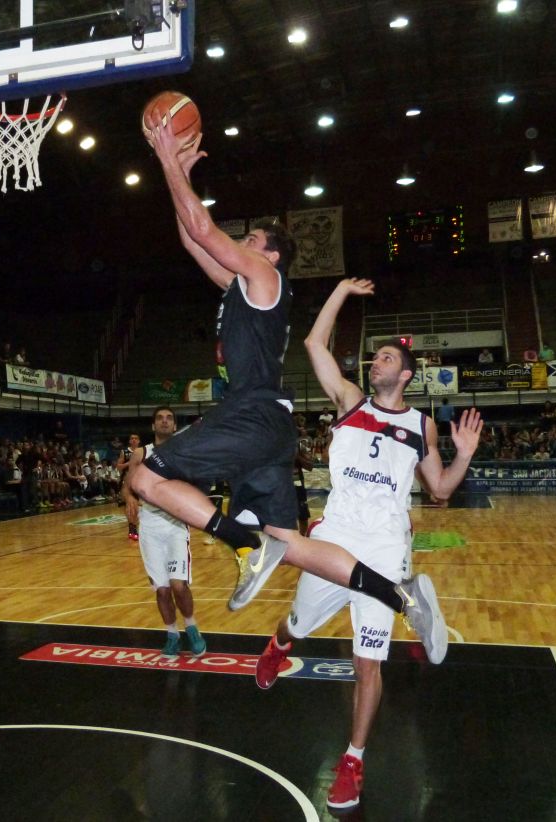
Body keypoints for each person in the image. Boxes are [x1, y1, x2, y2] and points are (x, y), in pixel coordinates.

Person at [129, 118, 454, 663]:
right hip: (270, 427)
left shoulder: (264, 277)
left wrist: (165, 156)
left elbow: (204, 230)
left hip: (252, 414)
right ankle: (402, 597)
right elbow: (191, 238)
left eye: (251, 240)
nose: (242, 244)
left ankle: (243, 544)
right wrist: (176, 173)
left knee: (145, 477)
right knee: (293, 544)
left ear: (271, 256)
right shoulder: (241, 287)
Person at [253, 277, 484, 811]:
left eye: (385, 358)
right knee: (298, 623)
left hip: (383, 545)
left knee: (368, 660)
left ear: (405, 375)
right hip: (335, 537)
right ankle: (279, 646)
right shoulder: (349, 401)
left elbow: (441, 490)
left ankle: (353, 760)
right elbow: (314, 343)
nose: (374, 363)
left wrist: (465, 454)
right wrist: (339, 291)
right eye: (374, 357)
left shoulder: (421, 427)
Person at [123, 406, 206, 659]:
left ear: (175, 425)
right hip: (149, 525)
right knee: (161, 589)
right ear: (153, 425)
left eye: (169, 418)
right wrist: (129, 498)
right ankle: (172, 635)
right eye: (160, 418)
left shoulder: (184, 451)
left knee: (178, 585)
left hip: (175, 523)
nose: (165, 421)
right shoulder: (141, 453)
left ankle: (191, 628)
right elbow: (127, 486)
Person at [116, 433, 142, 540]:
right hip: (126, 482)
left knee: (136, 506)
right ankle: (132, 528)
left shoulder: (142, 452)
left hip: (139, 481)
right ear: (129, 441)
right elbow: (118, 467)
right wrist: (129, 463)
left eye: (136, 438)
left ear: (139, 441)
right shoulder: (124, 452)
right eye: (132, 438)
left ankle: (133, 526)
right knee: (129, 505)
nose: (134, 440)